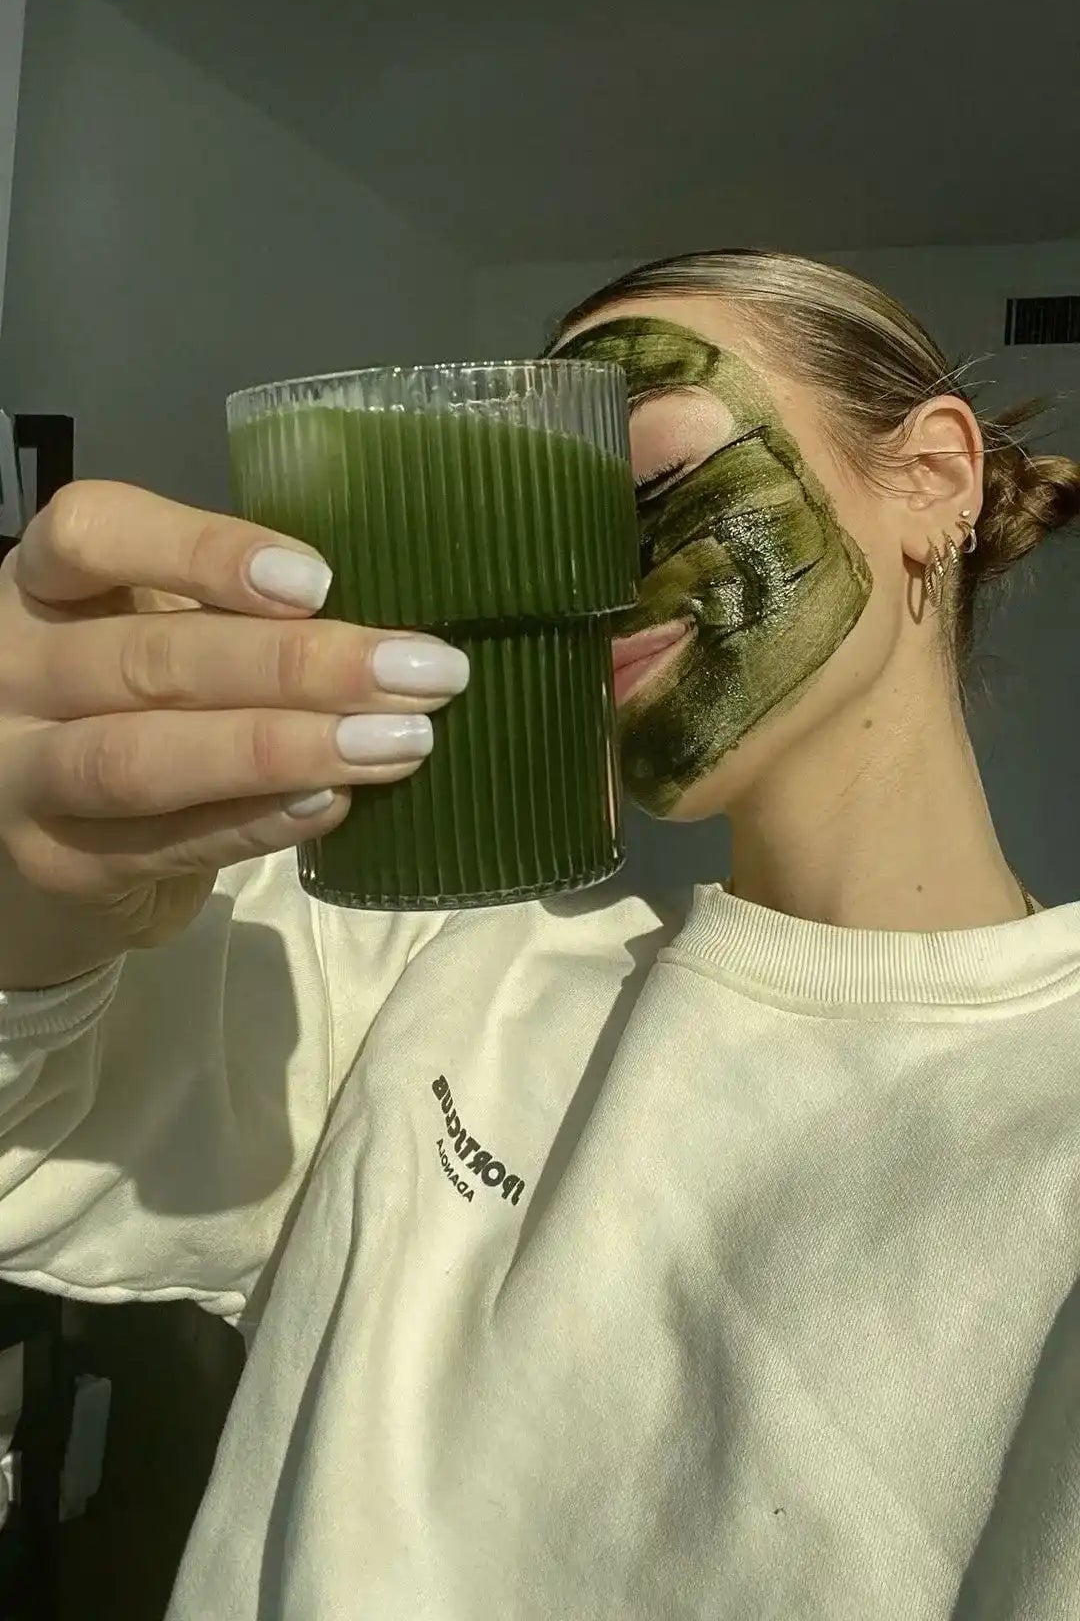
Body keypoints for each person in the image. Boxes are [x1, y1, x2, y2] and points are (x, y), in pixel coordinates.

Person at [0, 249, 1077, 1620]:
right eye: (551, 505)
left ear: (931, 479)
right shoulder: (444, 971)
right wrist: (25, 909)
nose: (586, 573)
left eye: (640, 484)